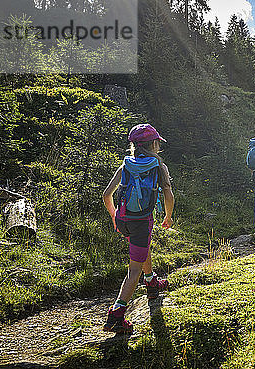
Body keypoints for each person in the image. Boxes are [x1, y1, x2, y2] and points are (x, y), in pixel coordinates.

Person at [102, 123, 175, 334]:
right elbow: (168, 195)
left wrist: (115, 216)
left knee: (141, 248)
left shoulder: (125, 165)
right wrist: (168, 217)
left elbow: (107, 195)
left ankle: (151, 282)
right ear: (154, 144)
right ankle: (116, 314)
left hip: (125, 219)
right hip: (141, 221)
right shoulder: (158, 166)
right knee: (134, 269)